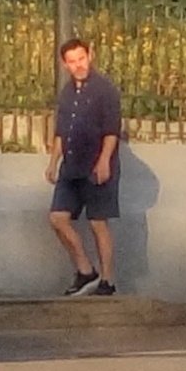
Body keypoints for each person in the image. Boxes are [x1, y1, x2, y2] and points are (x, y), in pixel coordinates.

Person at [46, 34, 122, 295]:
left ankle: (107, 281)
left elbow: (112, 130)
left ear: (90, 56)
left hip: (95, 165)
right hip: (71, 166)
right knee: (57, 218)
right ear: (64, 63)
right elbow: (61, 131)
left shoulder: (105, 90)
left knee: (97, 222)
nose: (78, 65)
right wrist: (53, 162)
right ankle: (85, 269)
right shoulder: (66, 92)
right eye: (72, 61)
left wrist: (103, 161)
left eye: (82, 58)